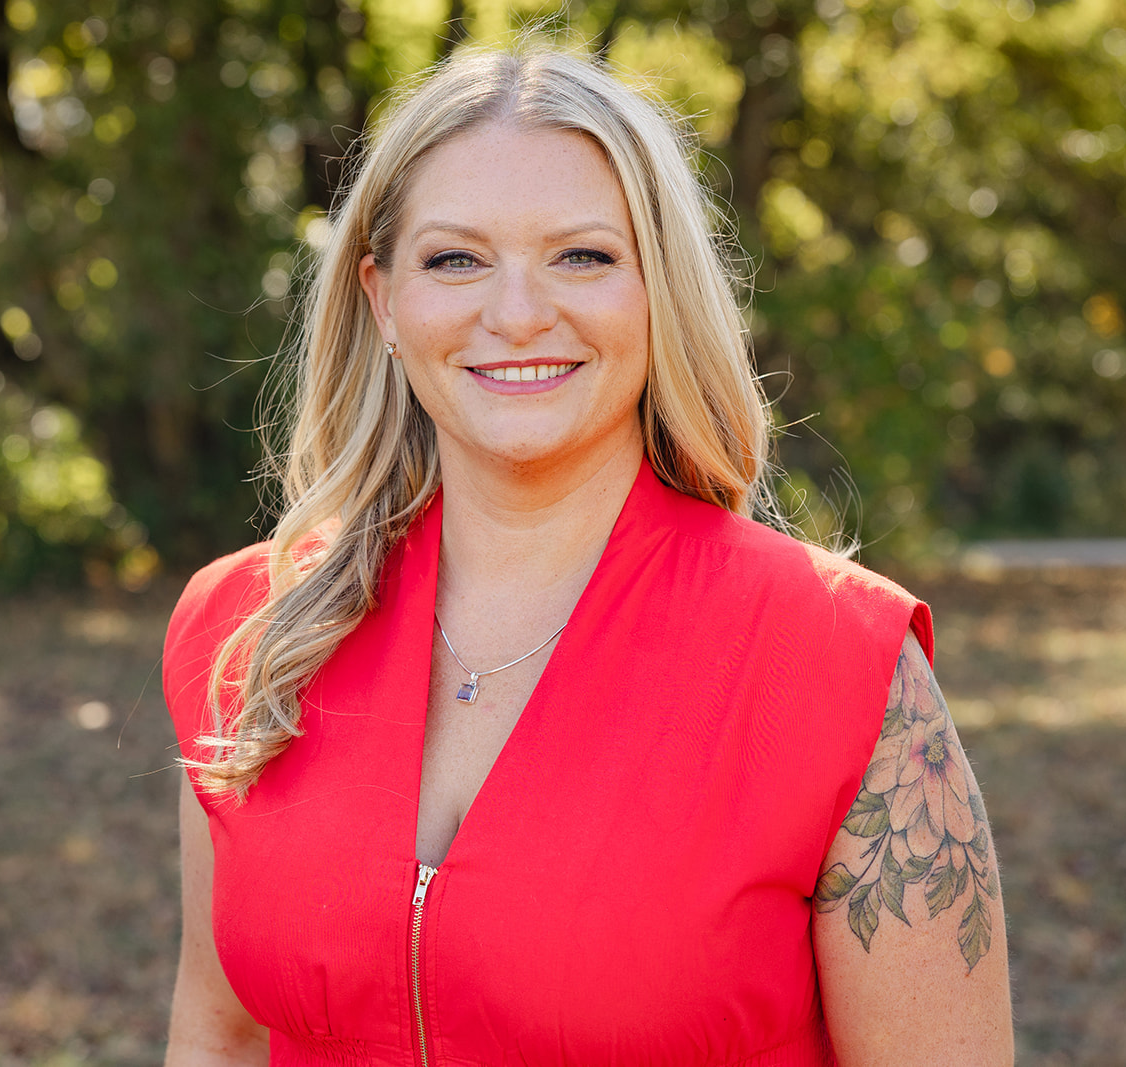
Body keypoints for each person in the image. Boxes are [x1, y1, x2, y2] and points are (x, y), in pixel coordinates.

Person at [161, 43, 1013, 1067]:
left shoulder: (842, 661)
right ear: (384, 300)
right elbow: (220, 1031)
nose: (516, 312)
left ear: (659, 290)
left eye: (582, 256)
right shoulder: (245, 629)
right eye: (455, 259)